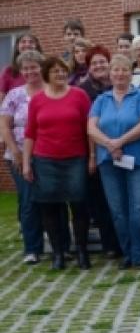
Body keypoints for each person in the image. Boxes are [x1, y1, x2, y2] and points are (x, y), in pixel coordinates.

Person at [88, 54, 140, 271]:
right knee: (117, 210)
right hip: (109, 161)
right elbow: (91, 128)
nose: (119, 74)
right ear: (110, 73)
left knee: (139, 207)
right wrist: (109, 144)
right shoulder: (102, 100)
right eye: (115, 70)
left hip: (138, 160)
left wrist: (120, 141)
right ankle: (127, 253)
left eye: (124, 70)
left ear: (131, 73)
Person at [23, 55, 91, 270]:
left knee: (79, 205)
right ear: (47, 75)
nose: (61, 74)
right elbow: (30, 133)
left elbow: (89, 128)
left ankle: (81, 251)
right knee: (49, 206)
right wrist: (26, 163)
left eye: (63, 71)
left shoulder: (79, 95)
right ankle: (58, 254)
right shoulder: (37, 100)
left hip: (76, 158)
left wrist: (93, 156)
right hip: (45, 159)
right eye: (55, 71)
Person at [76, 45, 123, 257]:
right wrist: (93, 155)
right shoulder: (83, 90)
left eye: (102, 62)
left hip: (123, 149)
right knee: (101, 200)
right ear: (88, 66)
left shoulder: (119, 85)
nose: (99, 66)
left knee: (121, 198)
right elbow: (86, 125)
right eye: (94, 63)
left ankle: (124, 242)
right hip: (94, 150)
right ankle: (110, 245)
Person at [0, 50, 45, 264]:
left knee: (54, 200)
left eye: (34, 66)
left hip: (48, 155)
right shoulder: (14, 95)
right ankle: (32, 248)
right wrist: (16, 153)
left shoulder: (51, 91)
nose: (30, 71)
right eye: (26, 68)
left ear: (41, 67)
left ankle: (61, 245)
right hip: (17, 155)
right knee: (28, 201)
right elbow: (5, 126)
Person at [0, 33, 41, 103]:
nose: (27, 44)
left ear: (36, 46)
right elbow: (1, 98)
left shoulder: (46, 68)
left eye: (31, 42)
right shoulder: (8, 71)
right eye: (23, 42)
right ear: (17, 46)